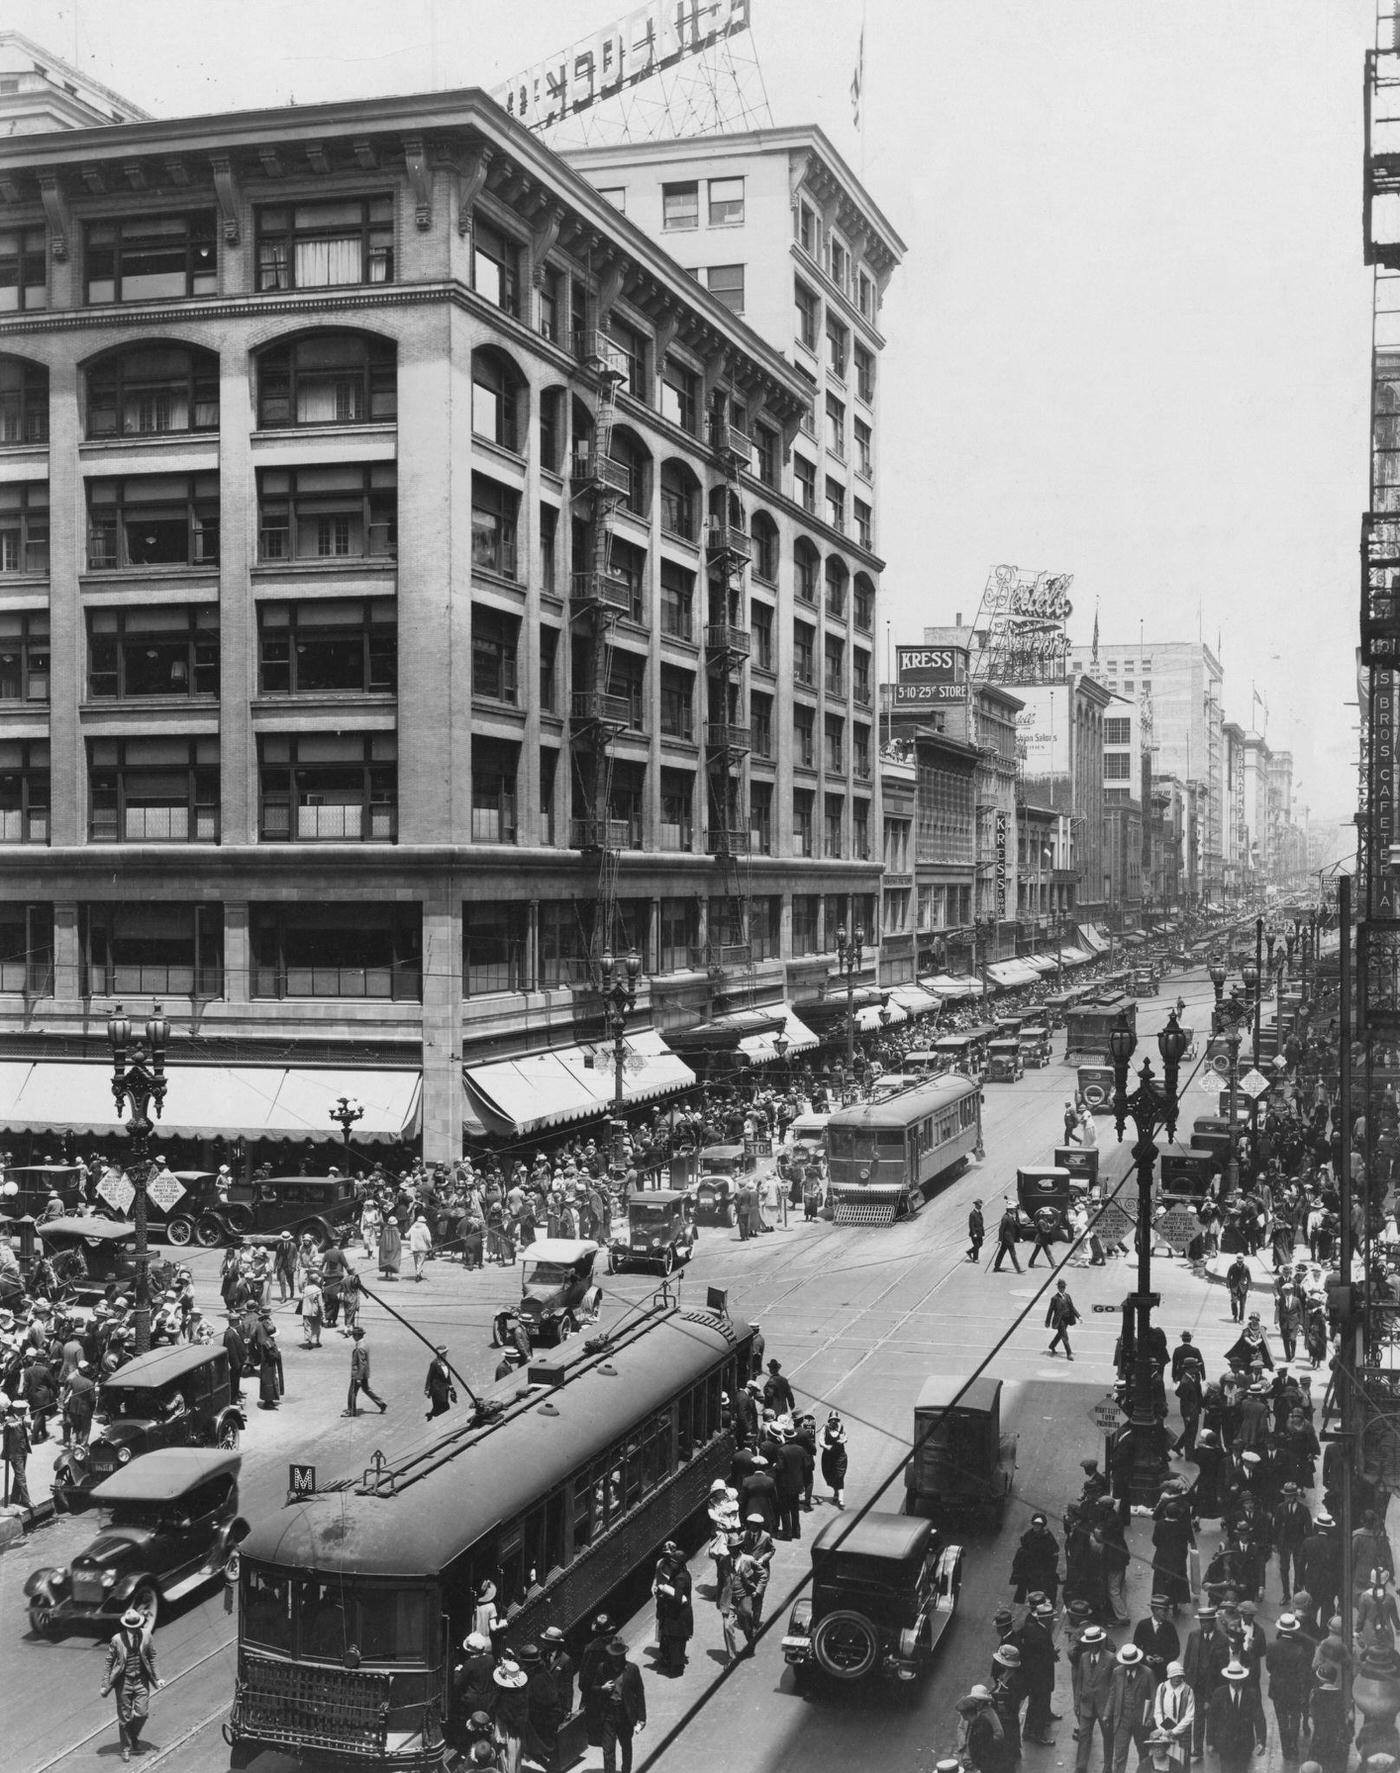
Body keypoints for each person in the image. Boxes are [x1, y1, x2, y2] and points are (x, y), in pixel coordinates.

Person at [101, 1605, 162, 1763]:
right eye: (132, 1627)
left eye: (137, 1626)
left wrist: (158, 1677)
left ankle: (133, 1736)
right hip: (124, 1682)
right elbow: (109, 1662)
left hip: (141, 1680)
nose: (135, 1630)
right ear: (126, 1626)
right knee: (125, 1718)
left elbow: (152, 1657)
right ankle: (126, 1747)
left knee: (142, 1713)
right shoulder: (117, 1640)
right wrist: (105, 1683)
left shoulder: (147, 1636)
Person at [1264, 1614, 1311, 1762]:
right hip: (1295, 1689)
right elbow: (1302, 1673)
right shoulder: (1300, 1649)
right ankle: (1294, 1747)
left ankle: (1285, 1749)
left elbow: (1269, 1667)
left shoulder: (1272, 1646)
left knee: (1282, 1719)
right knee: (1295, 1717)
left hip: (1278, 1689)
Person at [1205, 1661, 1266, 1773]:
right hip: (1225, 1744)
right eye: (1233, 1679)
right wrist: (1210, 1742)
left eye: (1238, 1679)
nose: (1236, 1682)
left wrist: (1261, 1741)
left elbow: (1260, 1719)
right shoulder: (1219, 1693)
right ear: (1228, 1678)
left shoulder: (1252, 1694)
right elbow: (1211, 1719)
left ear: (1242, 1678)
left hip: (1245, 1745)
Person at [1106, 1641, 1157, 1773]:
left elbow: (1155, 1697)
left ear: (1136, 1661)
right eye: (1126, 1664)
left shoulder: (1147, 1673)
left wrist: (1151, 1717)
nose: (1128, 1666)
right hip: (1122, 1720)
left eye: (1130, 1664)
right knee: (1119, 1756)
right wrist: (1107, 1713)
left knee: (1143, 1754)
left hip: (1141, 1721)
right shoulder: (1117, 1672)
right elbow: (1112, 1693)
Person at [1071, 1623, 1116, 1773]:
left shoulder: (1110, 1659)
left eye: (1095, 1643)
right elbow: (1079, 1681)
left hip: (1104, 1707)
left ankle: (1107, 1767)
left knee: (1107, 1737)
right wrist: (1076, 1702)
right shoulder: (1084, 1657)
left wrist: (1110, 1708)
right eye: (1089, 1644)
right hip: (1086, 1705)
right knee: (1084, 1736)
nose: (1092, 1647)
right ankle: (1081, 1767)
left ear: (1100, 1642)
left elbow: (1114, 1685)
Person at [597, 1640, 646, 1773]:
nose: (614, 1659)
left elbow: (639, 1693)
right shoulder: (602, 1668)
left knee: (626, 1746)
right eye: (612, 1656)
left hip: (625, 1713)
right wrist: (602, 1688)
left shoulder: (632, 1669)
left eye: (617, 1656)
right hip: (608, 1714)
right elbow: (592, 1688)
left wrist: (642, 1718)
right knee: (608, 1750)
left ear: (623, 1655)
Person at [652, 1542, 693, 1675]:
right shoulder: (682, 1573)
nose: (671, 1564)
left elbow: (678, 1599)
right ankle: (674, 1664)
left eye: (674, 1562)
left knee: (676, 1642)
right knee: (676, 1641)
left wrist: (664, 1593)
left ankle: (676, 1669)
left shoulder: (680, 1578)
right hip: (679, 1615)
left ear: (679, 1564)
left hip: (677, 1616)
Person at [1152, 1661, 1195, 1773]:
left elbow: (1189, 1715)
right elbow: (1158, 1711)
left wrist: (1175, 1731)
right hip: (1165, 1732)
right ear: (1169, 1676)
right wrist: (1164, 1730)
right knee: (1164, 1763)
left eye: (1179, 1676)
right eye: (1174, 1676)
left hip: (1181, 1734)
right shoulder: (1162, 1688)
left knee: (1179, 1764)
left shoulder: (1188, 1691)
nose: (1177, 1678)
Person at [1011, 1513, 1061, 1606]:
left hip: (1043, 1571)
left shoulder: (1047, 1537)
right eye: (1035, 1524)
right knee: (1033, 1594)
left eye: (1039, 1525)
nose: (1036, 1526)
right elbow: (1023, 1550)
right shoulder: (1029, 1534)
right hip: (1031, 1571)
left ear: (1042, 1525)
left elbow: (1054, 1553)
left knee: (1046, 1593)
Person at [343, 1326, 388, 1416]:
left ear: (357, 1336)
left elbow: (361, 1363)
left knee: (352, 1392)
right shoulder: (364, 1344)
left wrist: (359, 1377)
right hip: (364, 1372)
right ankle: (381, 1403)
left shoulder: (360, 1347)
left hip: (358, 1373)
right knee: (366, 1389)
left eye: (354, 1335)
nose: (353, 1337)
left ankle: (351, 1411)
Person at [2, 1403, 32, 1511]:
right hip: (15, 1454)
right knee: (21, 1477)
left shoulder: (20, 1419)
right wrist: (6, 1454)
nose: (25, 1411)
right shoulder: (10, 1422)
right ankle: (26, 1500)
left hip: (23, 1451)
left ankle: (14, 1498)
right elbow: (5, 1440)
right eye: (23, 1409)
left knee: (18, 1476)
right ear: (16, 1409)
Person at [820, 1409, 848, 1508]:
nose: (834, 1421)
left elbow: (845, 1437)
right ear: (829, 1420)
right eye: (832, 1419)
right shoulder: (825, 1428)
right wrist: (826, 1446)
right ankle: (836, 1492)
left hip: (840, 1456)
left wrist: (842, 1440)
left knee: (840, 1476)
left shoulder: (841, 1428)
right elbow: (821, 1441)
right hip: (828, 1457)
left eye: (836, 1419)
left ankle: (840, 1499)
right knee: (830, 1476)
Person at [1046, 1279, 1079, 1359]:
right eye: (1060, 1287)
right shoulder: (1054, 1298)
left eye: (1063, 1287)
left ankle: (1052, 1346)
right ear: (1058, 1287)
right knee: (1065, 1336)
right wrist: (1047, 1322)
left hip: (1067, 1319)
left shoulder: (1067, 1296)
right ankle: (1069, 1353)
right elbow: (1050, 1311)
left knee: (1060, 1334)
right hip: (1059, 1320)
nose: (1062, 1288)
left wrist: (1078, 1316)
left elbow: (1071, 1307)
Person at [424, 1345, 456, 1420]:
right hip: (436, 1388)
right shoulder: (434, 1364)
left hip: (444, 1387)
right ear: (440, 1354)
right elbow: (429, 1376)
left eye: (446, 1353)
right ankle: (434, 1415)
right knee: (441, 1405)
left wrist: (450, 1385)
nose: (446, 1354)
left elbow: (447, 1375)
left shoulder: (446, 1363)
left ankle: (434, 1414)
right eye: (444, 1353)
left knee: (444, 1405)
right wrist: (427, 1388)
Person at [993, 1200, 1023, 1273]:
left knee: (1001, 1253)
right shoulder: (1005, 1218)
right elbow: (1001, 1229)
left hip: (1009, 1239)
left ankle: (996, 1267)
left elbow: (1017, 1226)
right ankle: (1018, 1269)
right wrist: (1000, 1239)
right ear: (1010, 1209)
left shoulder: (1011, 1216)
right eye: (1014, 1209)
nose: (1015, 1210)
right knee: (1013, 1254)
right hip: (1007, 1239)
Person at [378, 1213, 402, 1280]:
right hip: (394, 1247)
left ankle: (386, 1273)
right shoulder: (396, 1230)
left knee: (386, 1259)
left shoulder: (385, 1229)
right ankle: (390, 1274)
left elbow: (382, 1239)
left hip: (385, 1246)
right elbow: (398, 1240)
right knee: (392, 1259)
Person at [968, 1198, 986, 1263]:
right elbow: (971, 1224)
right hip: (975, 1233)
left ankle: (969, 1251)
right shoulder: (972, 1214)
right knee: (976, 1245)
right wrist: (974, 1233)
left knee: (980, 1244)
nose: (980, 1206)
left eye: (981, 1205)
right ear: (976, 1205)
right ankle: (975, 1259)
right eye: (979, 1205)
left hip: (980, 1232)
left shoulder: (979, 1213)